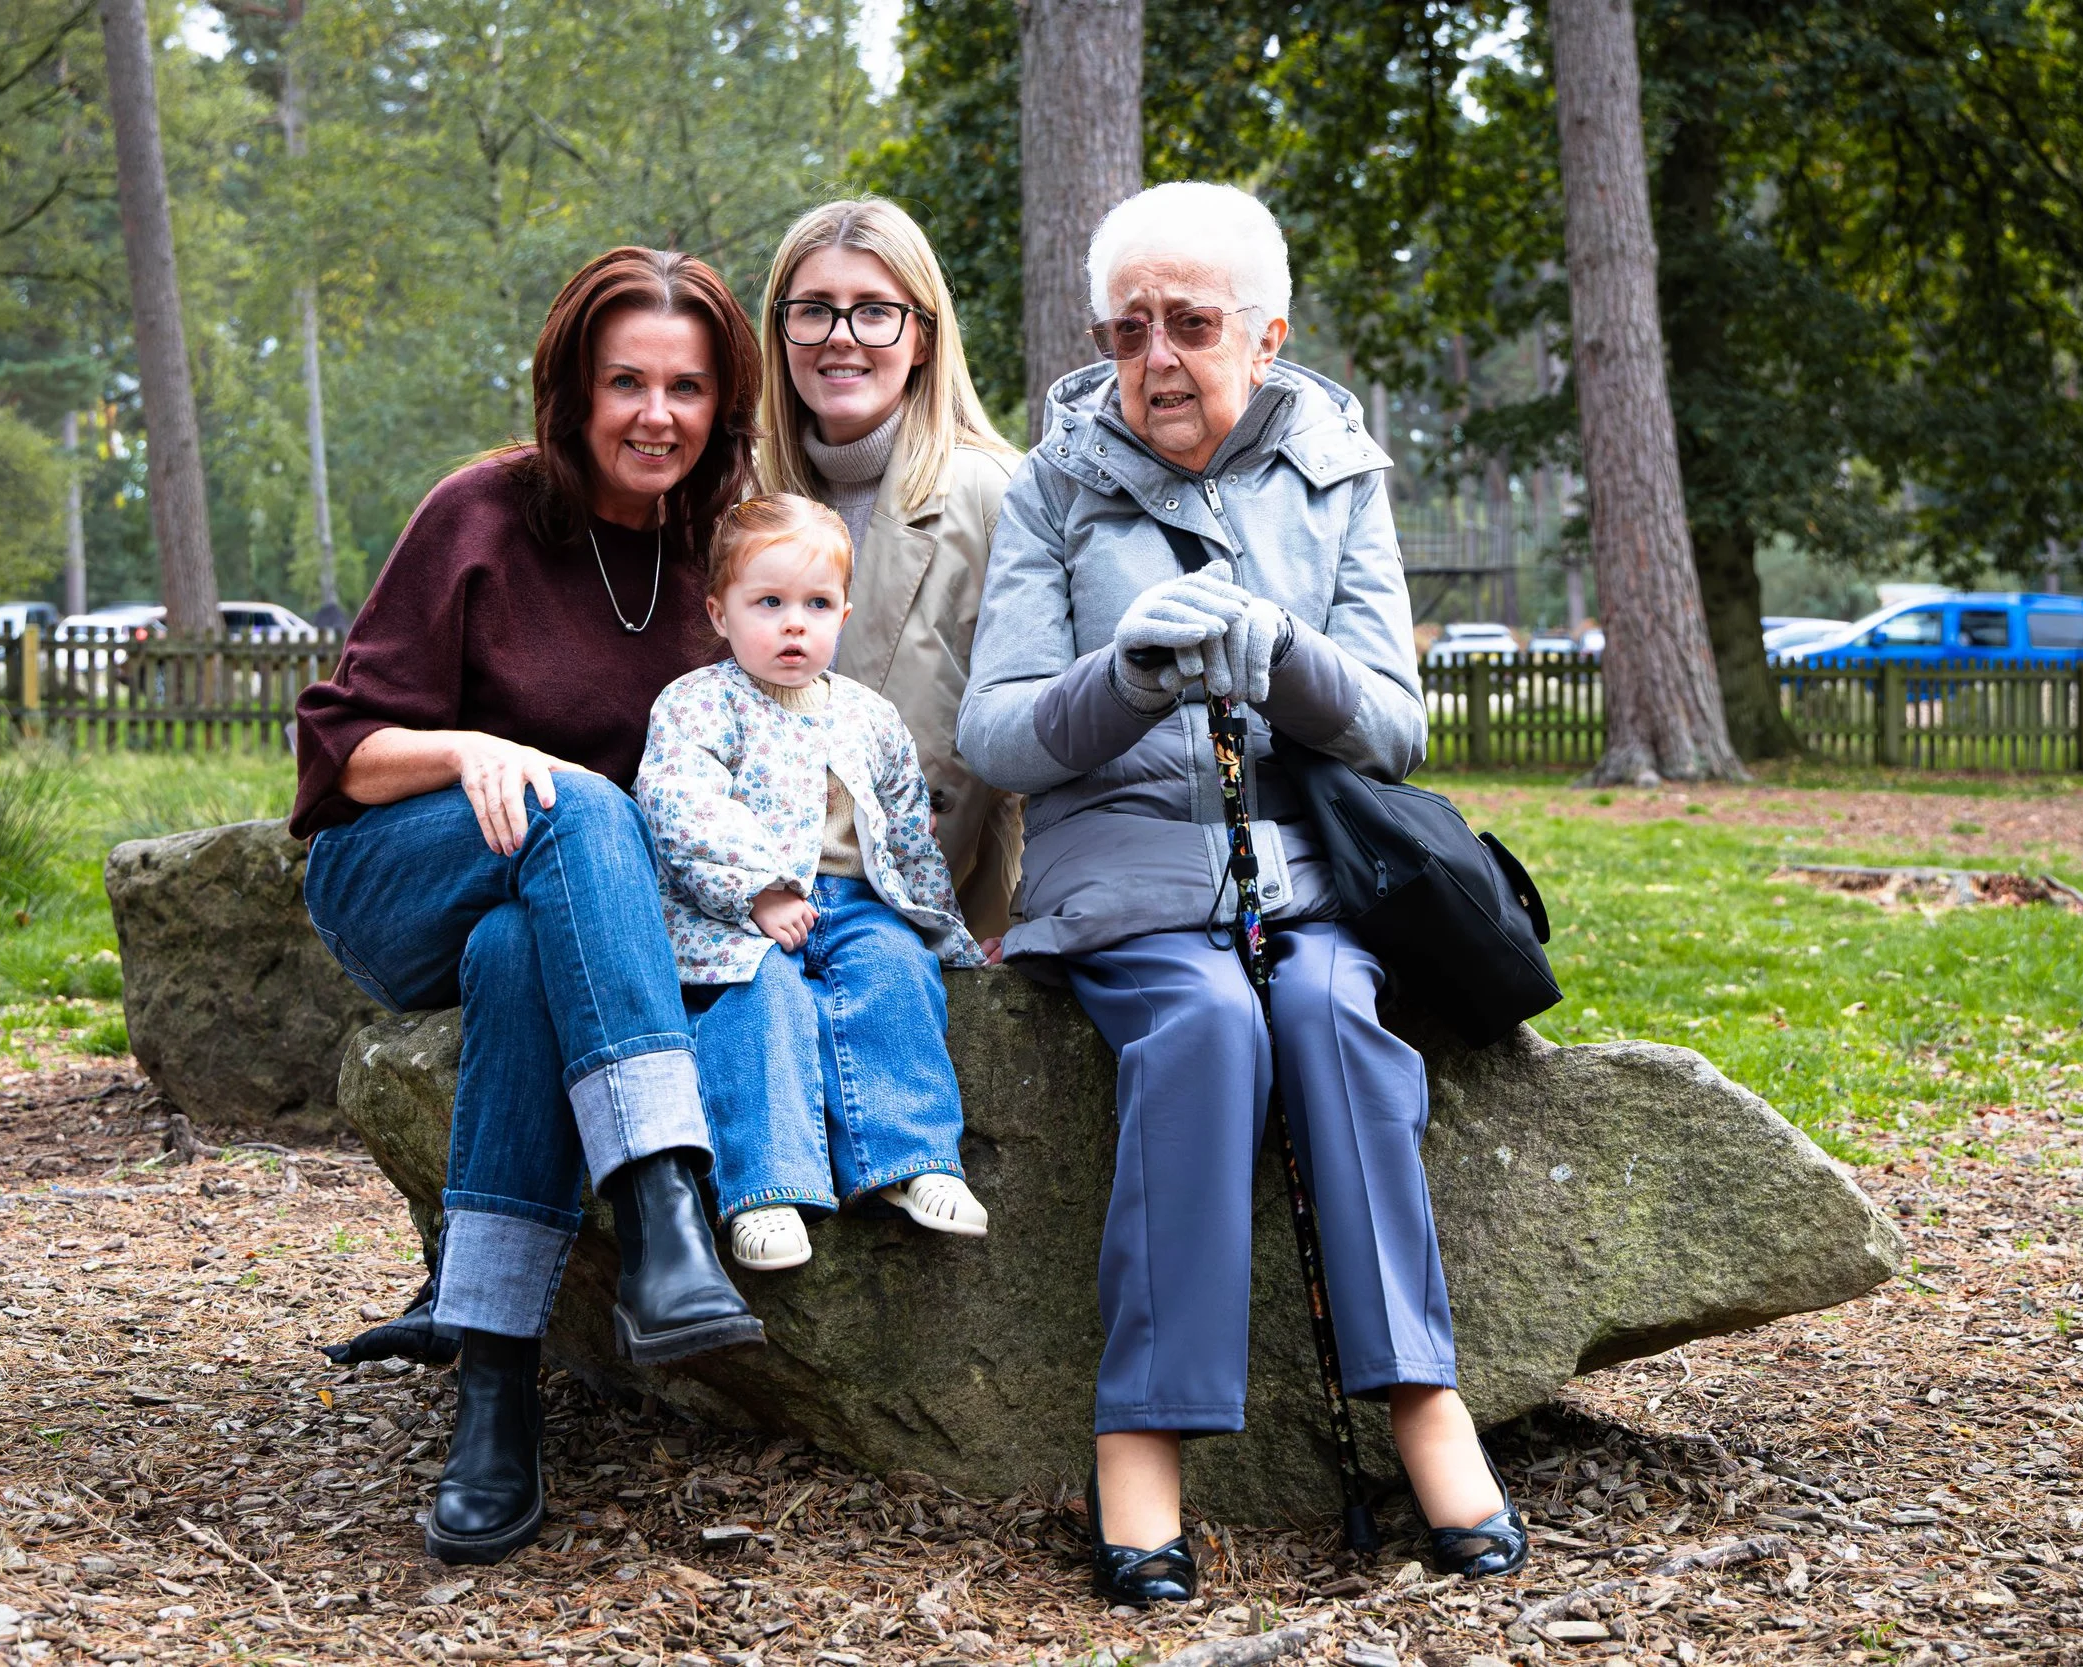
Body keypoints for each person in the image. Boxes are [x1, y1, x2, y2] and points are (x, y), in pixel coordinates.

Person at [955, 181, 1529, 1605]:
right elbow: (1000, 732)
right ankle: (1141, 1433)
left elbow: (1394, 726)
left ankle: (1421, 1402)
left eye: (1192, 324)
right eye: (1129, 324)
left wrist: (1278, 650)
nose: (1157, 355)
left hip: (1316, 883)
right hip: (1126, 885)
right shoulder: (1055, 483)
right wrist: (1128, 670)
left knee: (1334, 1013)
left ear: (1266, 335)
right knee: (1204, 1024)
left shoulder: (1340, 474)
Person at [290, 247, 765, 1567]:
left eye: (685, 386)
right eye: (627, 382)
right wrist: (467, 750)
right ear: (575, 389)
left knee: (520, 958)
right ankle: (666, 1203)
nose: (655, 413)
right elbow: (337, 756)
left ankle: (493, 1385)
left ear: (723, 402)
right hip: (400, 868)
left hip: (559, 916)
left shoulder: (722, 559)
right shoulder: (480, 513)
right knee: (575, 807)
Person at [635, 494, 988, 1273]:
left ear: (844, 613)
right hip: (736, 912)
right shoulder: (699, 704)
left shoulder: (869, 716)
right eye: (768, 603)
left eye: (816, 604)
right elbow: (681, 804)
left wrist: (941, 927)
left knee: (896, 973)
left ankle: (913, 1156)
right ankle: (765, 1184)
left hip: (856, 901)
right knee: (761, 1000)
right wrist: (758, 890)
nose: (794, 623)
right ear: (720, 613)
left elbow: (902, 827)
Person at [754, 198, 1023, 944]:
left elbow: (1045, 741)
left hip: (953, 917)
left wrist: (1038, 919)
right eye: (814, 310)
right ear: (782, 331)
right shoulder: (738, 498)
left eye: (875, 311)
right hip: (764, 918)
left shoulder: (999, 495)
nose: (842, 338)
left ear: (924, 336)